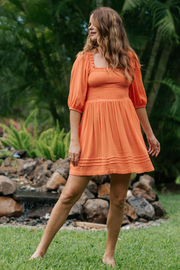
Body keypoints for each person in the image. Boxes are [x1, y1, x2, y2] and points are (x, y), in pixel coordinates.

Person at [29, 7, 160, 267]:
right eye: (88, 24)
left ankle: (108, 255)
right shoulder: (84, 59)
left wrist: (150, 135)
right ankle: (40, 251)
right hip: (92, 134)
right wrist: (74, 141)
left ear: (108, 26)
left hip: (124, 133)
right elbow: (75, 104)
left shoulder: (129, 58)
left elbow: (138, 101)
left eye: (94, 24)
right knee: (69, 194)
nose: (89, 28)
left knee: (119, 198)